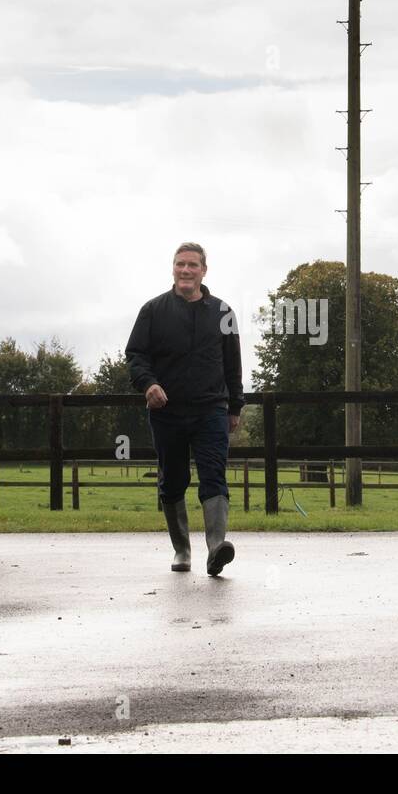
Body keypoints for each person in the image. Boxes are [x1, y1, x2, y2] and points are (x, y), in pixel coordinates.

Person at [126, 242, 243, 575]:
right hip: (167, 412)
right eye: (180, 264)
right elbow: (135, 355)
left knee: (213, 475)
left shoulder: (224, 313)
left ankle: (216, 547)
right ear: (173, 269)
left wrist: (235, 405)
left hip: (211, 410)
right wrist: (148, 384)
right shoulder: (152, 311)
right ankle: (182, 550)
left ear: (204, 270)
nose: (186, 270)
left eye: (193, 265)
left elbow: (233, 365)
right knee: (173, 479)